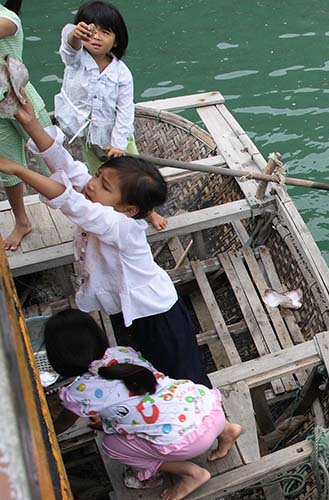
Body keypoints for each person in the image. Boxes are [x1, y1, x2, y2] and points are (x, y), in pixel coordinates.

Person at [0, 91, 210, 387]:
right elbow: (65, 165)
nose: (92, 185)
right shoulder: (104, 201)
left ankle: (218, 426)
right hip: (131, 309)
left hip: (157, 315)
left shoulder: (122, 226)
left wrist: (19, 169)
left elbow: (72, 202)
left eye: (103, 185)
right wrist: (31, 123)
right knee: (148, 368)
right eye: (98, 176)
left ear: (129, 209)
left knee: (182, 377)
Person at [44, 310, 242, 500]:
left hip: (189, 442)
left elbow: (61, 424)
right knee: (174, 400)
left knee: (112, 446)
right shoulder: (121, 352)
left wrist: (45, 435)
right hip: (210, 410)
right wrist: (107, 421)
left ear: (59, 360)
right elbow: (130, 398)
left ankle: (190, 473)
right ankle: (228, 431)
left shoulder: (79, 392)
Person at [55, 1, 165, 229]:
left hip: (116, 137)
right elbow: (69, 45)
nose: (96, 37)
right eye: (91, 31)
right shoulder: (76, 59)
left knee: (135, 178)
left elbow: (125, 111)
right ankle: (108, 211)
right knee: (102, 175)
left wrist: (118, 144)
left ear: (116, 40)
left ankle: (148, 212)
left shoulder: (122, 73)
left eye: (105, 32)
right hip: (88, 135)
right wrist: (75, 34)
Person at [0, 0, 59, 250]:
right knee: (8, 169)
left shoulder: (8, 18)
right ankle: (22, 221)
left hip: (22, 102)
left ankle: (85, 216)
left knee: (53, 161)